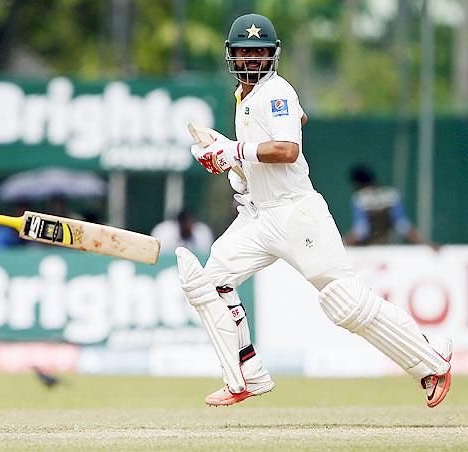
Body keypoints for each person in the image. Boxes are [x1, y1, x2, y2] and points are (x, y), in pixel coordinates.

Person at [178, 13, 451, 408]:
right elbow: (291, 124)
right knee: (209, 283)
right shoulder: (246, 97)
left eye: (259, 52)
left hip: (295, 213)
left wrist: (232, 150)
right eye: (244, 53)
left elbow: (288, 149)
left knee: (344, 301)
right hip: (257, 216)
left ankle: (429, 359)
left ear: (273, 55)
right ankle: (246, 375)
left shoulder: (276, 91)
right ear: (232, 57)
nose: (252, 60)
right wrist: (231, 165)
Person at [344, 165, 435, 247]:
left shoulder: (360, 199)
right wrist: (426, 244)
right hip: (389, 248)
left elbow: (361, 230)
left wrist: (342, 245)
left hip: (368, 251)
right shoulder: (391, 195)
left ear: (357, 183)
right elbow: (403, 226)